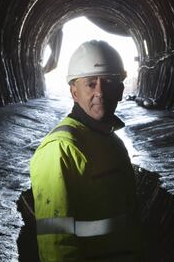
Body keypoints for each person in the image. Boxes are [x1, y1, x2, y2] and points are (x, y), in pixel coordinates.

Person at [30, 40, 141, 262]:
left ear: (120, 91)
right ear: (74, 92)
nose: (100, 92)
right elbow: (55, 242)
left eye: (108, 83)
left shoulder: (110, 140)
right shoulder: (61, 148)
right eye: (90, 84)